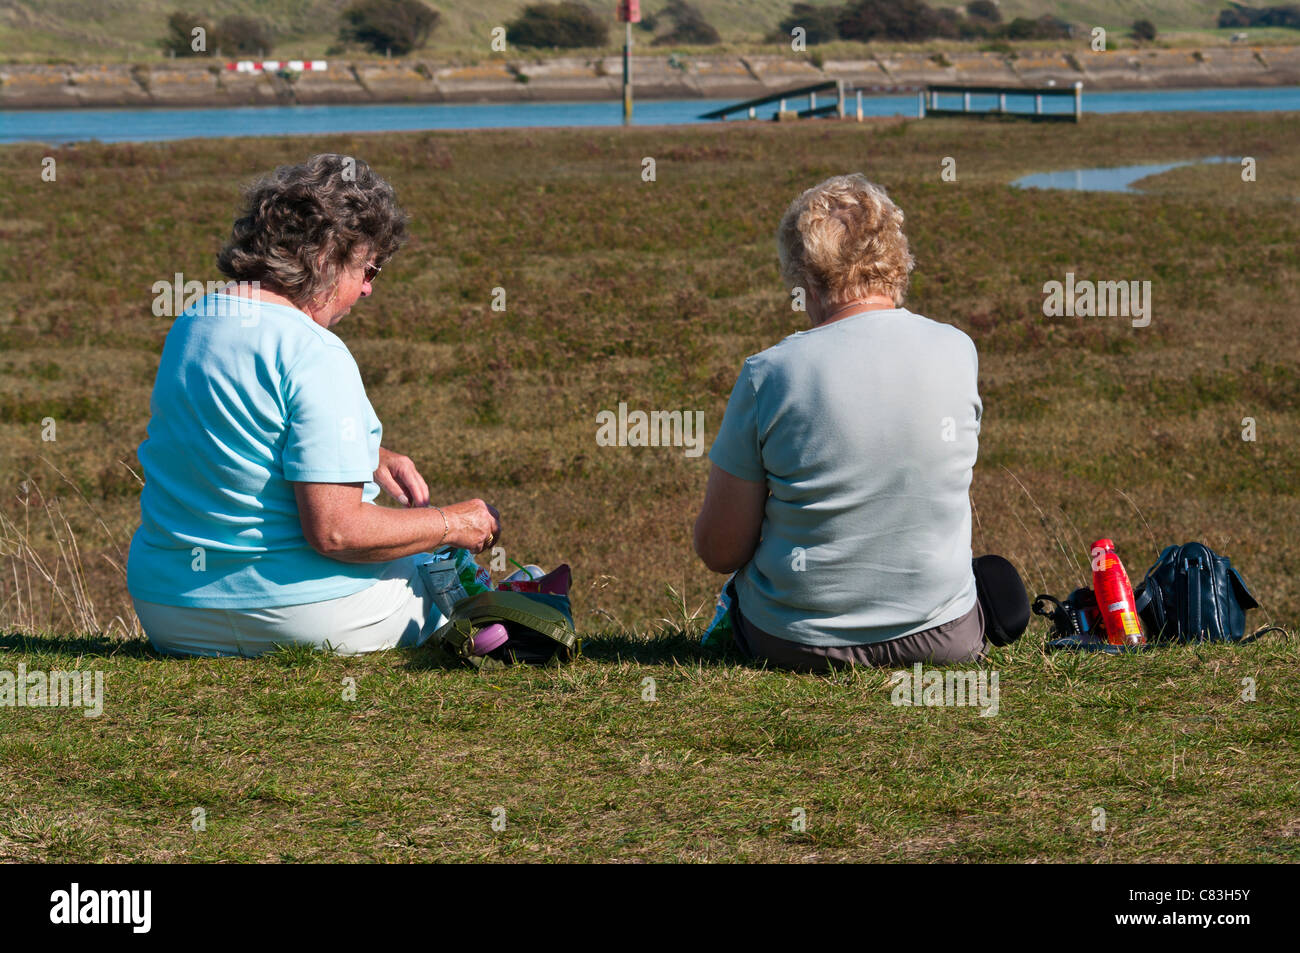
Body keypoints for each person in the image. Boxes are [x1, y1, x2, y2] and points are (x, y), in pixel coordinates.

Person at [126, 154, 501, 657]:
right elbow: (338, 533)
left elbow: (240, 434)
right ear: (327, 256)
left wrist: (367, 453)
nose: (368, 288)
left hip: (171, 612)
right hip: (304, 617)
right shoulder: (314, 350)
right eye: (369, 268)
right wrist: (456, 523)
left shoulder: (195, 322)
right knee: (436, 570)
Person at [693, 173, 1024, 672]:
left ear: (803, 279)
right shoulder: (959, 348)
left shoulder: (770, 373)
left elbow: (720, 550)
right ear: (897, 260)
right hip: (943, 639)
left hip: (792, 643)